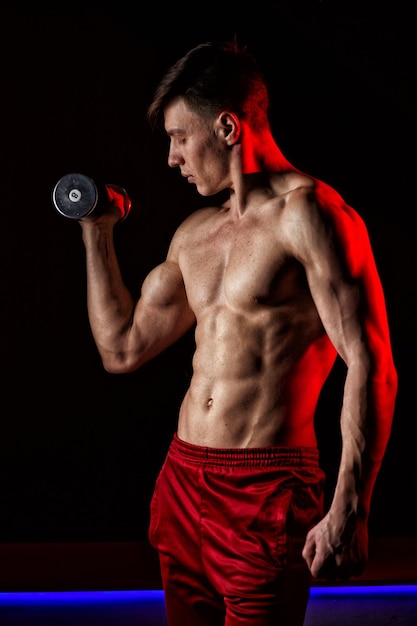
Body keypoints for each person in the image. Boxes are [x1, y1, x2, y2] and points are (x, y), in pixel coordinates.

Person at [78, 39, 398, 626]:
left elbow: (372, 363)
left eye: (179, 137)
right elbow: (121, 349)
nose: (172, 158)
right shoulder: (195, 234)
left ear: (226, 126)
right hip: (182, 477)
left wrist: (352, 506)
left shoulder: (313, 214)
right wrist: (97, 234)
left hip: (265, 488)